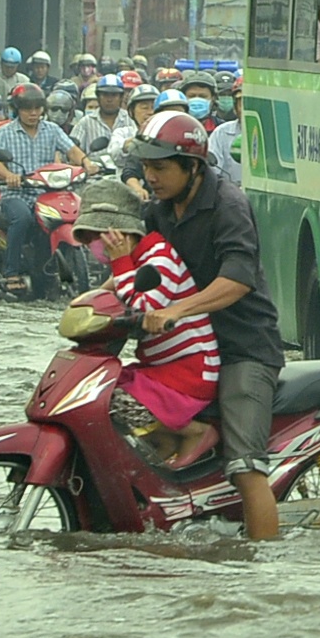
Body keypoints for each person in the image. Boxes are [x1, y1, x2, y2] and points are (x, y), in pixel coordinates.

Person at [136, 109, 286, 539]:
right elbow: (138, 260)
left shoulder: (228, 205)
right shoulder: (160, 210)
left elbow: (237, 280)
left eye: (161, 167)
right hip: (188, 351)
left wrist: (176, 312)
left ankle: (262, 564)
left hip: (243, 349)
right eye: (146, 167)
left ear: (192, 166)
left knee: (245, 467)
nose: (152, 176)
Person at [73, 178, 220, 465]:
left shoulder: (157, 258)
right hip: (159, 369)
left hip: (188, 373)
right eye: (88, 238)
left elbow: (144, 305)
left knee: (112, 403)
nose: (94, 245)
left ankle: (195, 433)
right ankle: (163, 443)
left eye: (98, 236)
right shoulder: (135, 260)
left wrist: (119, 262)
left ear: (123, 234)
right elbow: (108, 294)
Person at [0, 83, 84, 298]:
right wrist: (9, 175)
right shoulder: (5, 132)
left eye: (37, 108)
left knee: (74, 215)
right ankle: (12, 271)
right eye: (28, 109)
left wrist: (87, 163)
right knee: (22, 218)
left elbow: (72, 151)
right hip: (16, 194)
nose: (33, 113)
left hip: (49, 194)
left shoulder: (52, 130)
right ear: (17, 109)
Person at [71, 74, 133, 152]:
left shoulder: (130, 119)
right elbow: (73, 150)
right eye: (105, 95)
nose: (109, 100)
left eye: (114, 95)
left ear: (121, 97)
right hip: (93, 163)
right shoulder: (85, 123)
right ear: (98, 97)